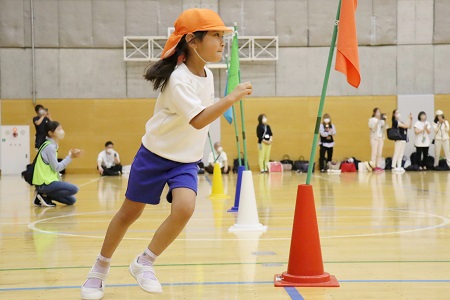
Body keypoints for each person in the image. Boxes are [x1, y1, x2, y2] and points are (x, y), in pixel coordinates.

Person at [80, 8, 252, 300]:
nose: (222, 43)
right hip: (155, 156)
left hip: (185, 160)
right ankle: (99, 268)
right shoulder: (177, 79)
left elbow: (200, 120)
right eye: (216, 36)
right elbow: (198, 119)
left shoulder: (208, 74)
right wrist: (231, 98)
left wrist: (226, 99)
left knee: (185, 208)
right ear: (192, 41)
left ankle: (144, 262)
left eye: (223, 37)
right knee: (128, 214)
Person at [32, 121, 82, 207]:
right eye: (58, 129)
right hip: (44, 183)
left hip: (49, 181)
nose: (61, 131)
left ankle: (45, 196)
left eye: (61, 128)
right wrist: (70, 157)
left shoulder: (52, 145)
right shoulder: (50, 147)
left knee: (71, 200)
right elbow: (56, 168)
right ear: (50, 133)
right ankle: (41, 193)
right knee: (74, 189)